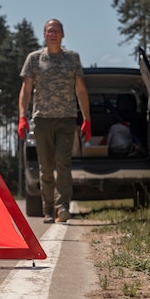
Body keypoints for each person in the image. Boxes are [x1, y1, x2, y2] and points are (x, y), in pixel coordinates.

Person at [18, 18, 91, 223]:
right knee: (46, 167)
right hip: (42, 120)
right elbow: (26, 90)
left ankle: (63, 208)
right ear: (44, 35)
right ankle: (48, 209)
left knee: (63, 164)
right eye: (50, 30)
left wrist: (87, 119)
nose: (53, 33)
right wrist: (22, 117)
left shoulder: (72, 59)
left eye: (57, 30)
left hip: (66, 119)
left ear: (63, 35)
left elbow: (81, 89)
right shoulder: (34, 59)